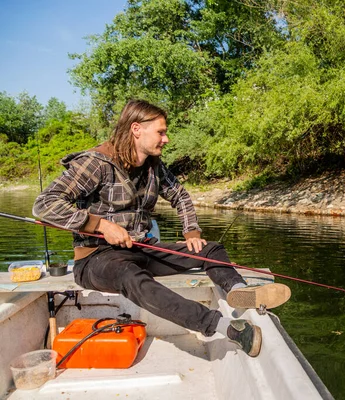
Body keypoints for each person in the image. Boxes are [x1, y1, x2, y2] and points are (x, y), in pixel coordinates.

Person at [33, 99, 291, 357]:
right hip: (95, 259)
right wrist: (99, 224)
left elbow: (180, 196)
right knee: (131, 277)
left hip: (141, 248)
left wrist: (191, 232)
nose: (166, 139)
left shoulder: (154, 167)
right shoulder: (96, 163)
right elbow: (44, 204)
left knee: (210, 250)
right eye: (161, 132)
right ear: (137, 129)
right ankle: (223, 326)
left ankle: (238, 292)